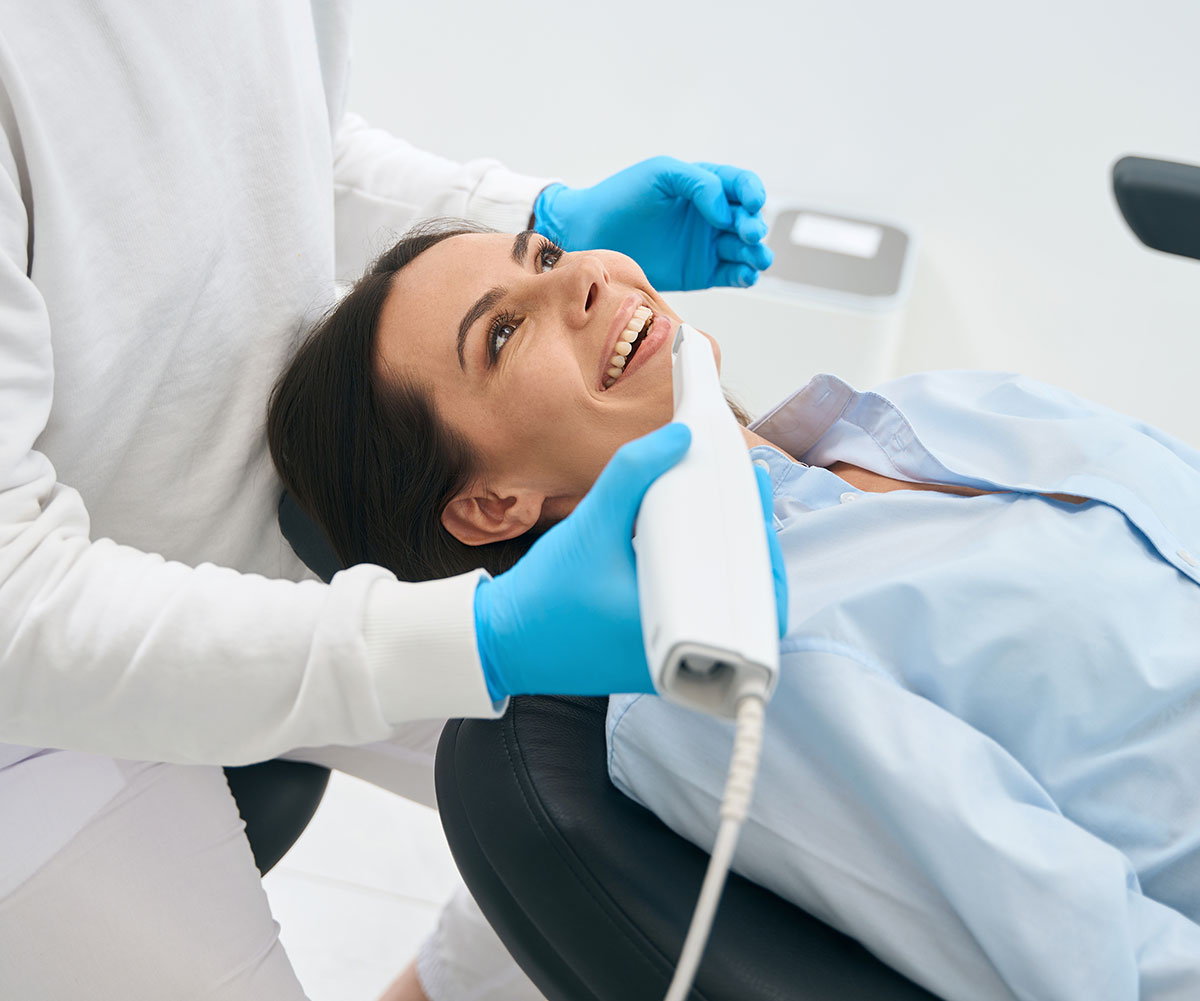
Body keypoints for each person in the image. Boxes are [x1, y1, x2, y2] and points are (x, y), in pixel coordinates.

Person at [0, 5, 778, 1000]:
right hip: (30, 702)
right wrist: (480, 634)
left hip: (298, 539)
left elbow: (288, 150)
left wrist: (532, 217)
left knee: (675, 784)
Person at [269, 218, 1200, 1001]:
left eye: (546, 255)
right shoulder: (732, 661)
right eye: (503, 335)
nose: (585, 281)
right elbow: (1098, 958)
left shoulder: (911, 413)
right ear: (491, 504)